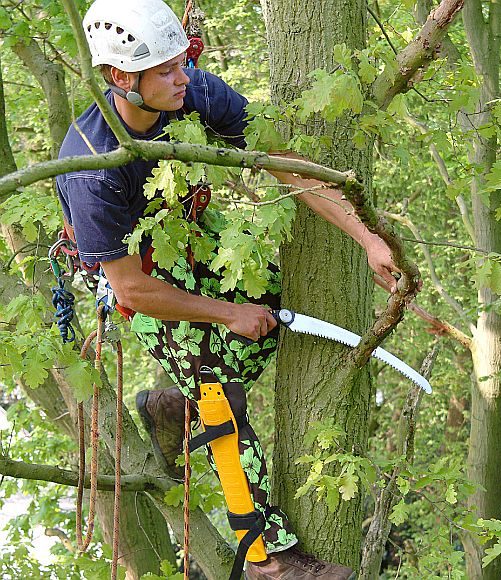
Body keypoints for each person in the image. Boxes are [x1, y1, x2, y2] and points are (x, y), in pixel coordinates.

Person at [56, 0, 402, 577]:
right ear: (121, 77)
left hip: (190, 234)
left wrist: (368, 238)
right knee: (219, 389)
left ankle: (173, 409)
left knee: (267, 312)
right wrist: (223, 313)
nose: (182, 77)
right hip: (136, 273)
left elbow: (283, 162)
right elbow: (130, 288)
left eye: (181, 63)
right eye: (166, 70)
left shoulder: (191, 92)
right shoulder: (92, 168)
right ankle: (267, 559)